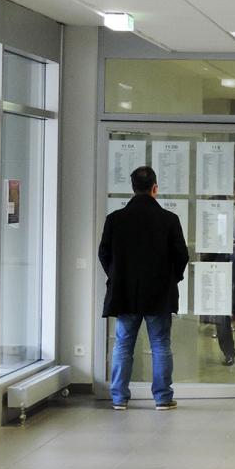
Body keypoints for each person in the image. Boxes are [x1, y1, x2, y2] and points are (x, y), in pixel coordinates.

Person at [98, 165, 188, 410]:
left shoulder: (115, 219)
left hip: (125, 292)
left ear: (133, 188)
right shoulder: (169, 219)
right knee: (160, 345)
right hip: (159, 293)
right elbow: (181, 255)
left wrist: (116, 276)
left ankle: (118, 398)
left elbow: (103, 253)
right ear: (155, 188)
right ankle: (162, 398)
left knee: (123, 344)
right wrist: (172, 278)